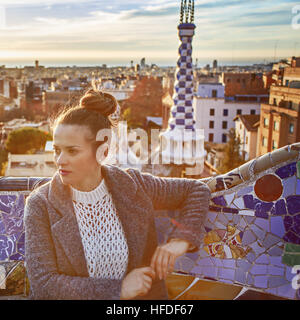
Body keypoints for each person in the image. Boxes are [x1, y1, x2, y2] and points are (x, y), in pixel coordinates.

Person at [24, 89, 211, 300]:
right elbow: (44, 285)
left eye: (72, 151)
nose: (60, 160)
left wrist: (180, 241)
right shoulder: (41, 204)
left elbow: (196, 190)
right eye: (57, 150)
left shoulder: (132, 185)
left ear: (102, 151)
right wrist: (118, 289)